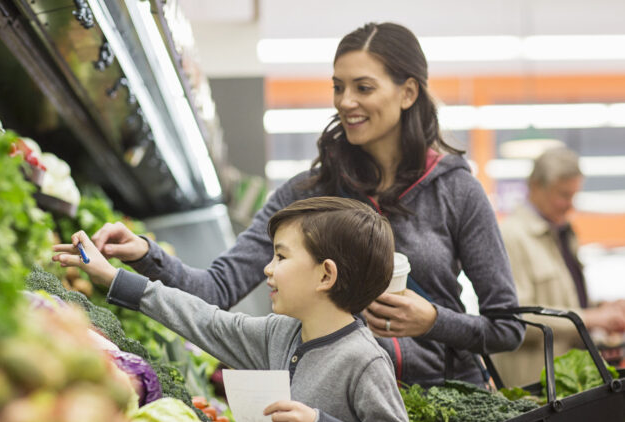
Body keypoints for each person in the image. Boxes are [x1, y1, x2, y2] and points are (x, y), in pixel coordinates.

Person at [86, 22, 524, 387]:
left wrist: (432, 320)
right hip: (338, 409)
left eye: (363, 87)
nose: (345, 101)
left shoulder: (457, 191)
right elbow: (217, 290)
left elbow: (508, 328)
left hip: (447, 413)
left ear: (407, 93)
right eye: (339, 87)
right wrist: (148, 255)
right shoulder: (307, 193)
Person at [54, 197, 418, 422]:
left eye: (280, 256)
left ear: (325, 275)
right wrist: (113, 276)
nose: (268, 268)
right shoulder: (281, 333)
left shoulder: (363, 360)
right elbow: (206, 321)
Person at [492, 147, 625, 387]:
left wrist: (602, 308)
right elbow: (516, 318)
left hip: (566, 382)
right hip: (534, 389)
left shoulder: (562, 232)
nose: (569, 205)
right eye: (563, 195)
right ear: (535, 186)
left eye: (573, 196)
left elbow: (563, 300)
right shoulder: (511, 237)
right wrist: (590, 318)